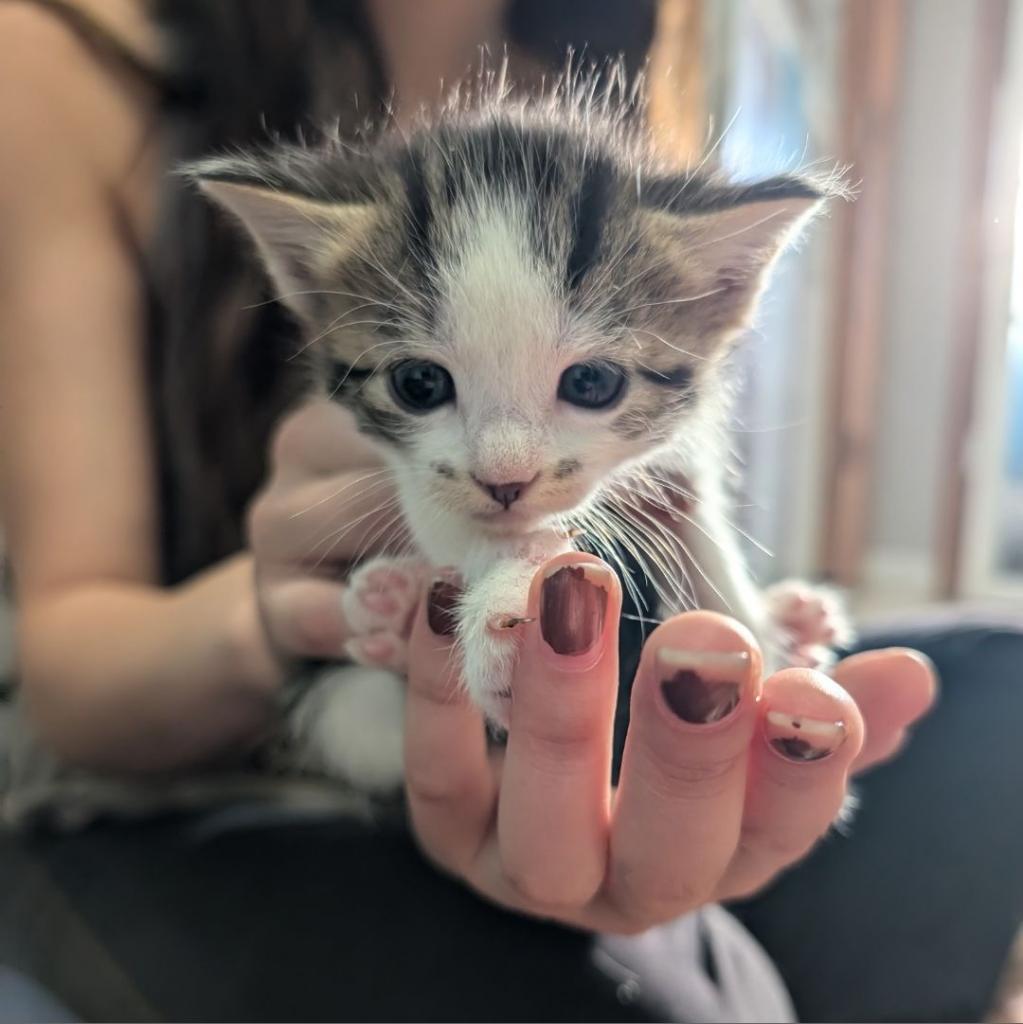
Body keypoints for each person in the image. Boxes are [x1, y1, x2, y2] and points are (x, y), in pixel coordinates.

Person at [0, 1, 978, 1020]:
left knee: (994, 705)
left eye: (589, 384)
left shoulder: (595, 50)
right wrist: (281, 622)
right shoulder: (71, 58)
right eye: (424, 385)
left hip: (537, 741)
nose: (507, 469)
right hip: (197, 782)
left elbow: (680, 493)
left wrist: (750, 633)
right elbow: (67, 663)